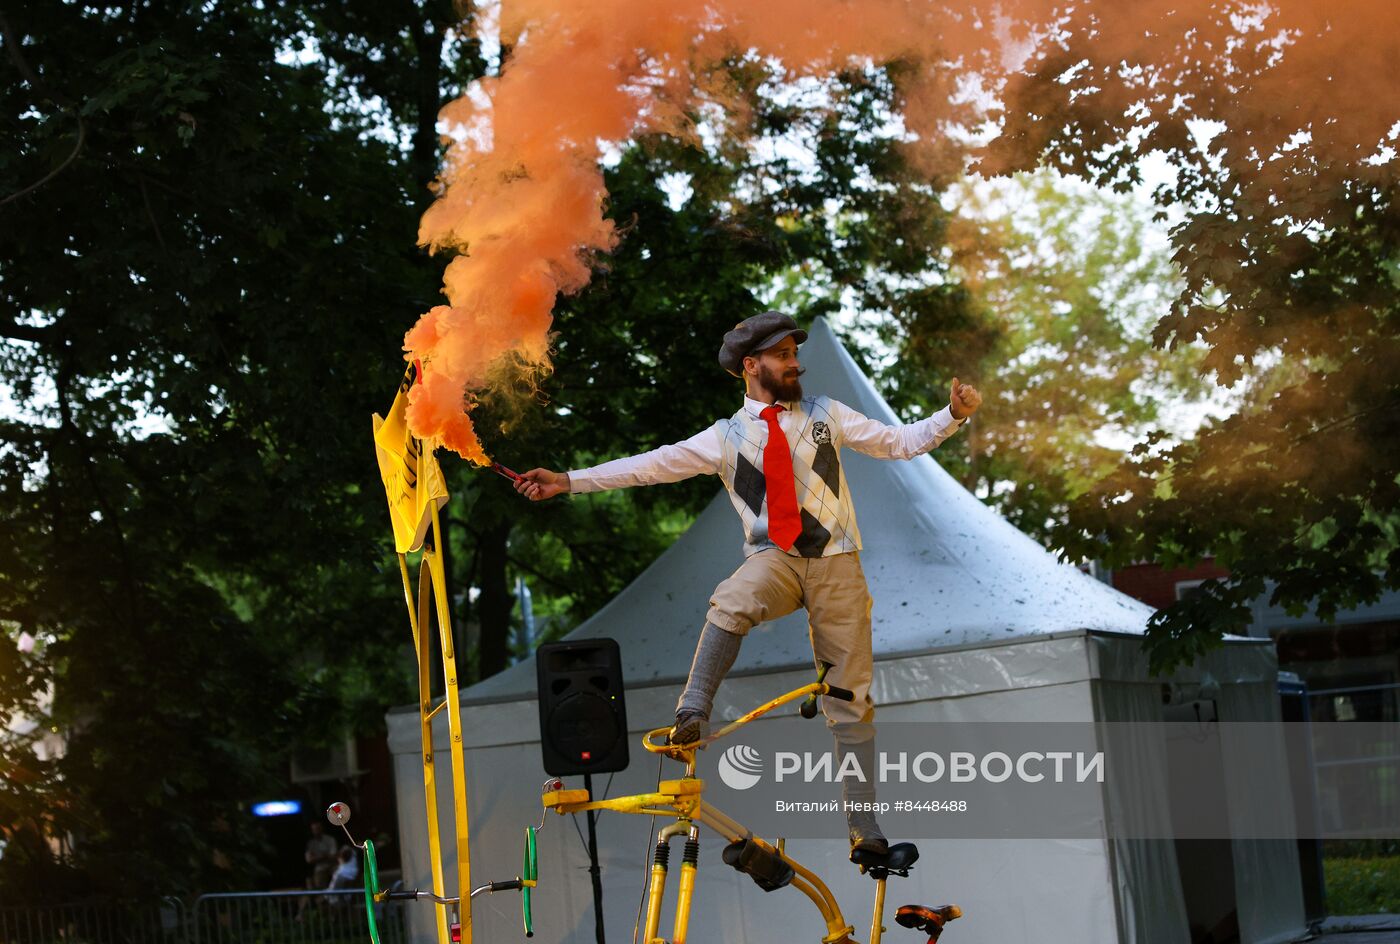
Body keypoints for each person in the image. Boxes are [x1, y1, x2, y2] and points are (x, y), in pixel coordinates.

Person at [515, 311, 982, 858]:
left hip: (836, 564)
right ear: (750, 364)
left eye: (793, 353)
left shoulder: (826, 415)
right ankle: (692, 711)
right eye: (783, 355)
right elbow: (648, 467)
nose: (795, 362)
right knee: (733, 598)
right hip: (776, 559)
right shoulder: (724, 438)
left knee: (851, 703)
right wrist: (568, 480)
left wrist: (952, 415)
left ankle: (864, 827)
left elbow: (898, 442)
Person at [304, 821, 338, 889]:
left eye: (318, 828)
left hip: (332, 865)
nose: (316, 831)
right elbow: (309, 860)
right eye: (314, 829)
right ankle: (323, 898)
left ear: (322, 828)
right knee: (319, 882)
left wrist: (317, 858)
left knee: (339, 875)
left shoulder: (330, 839)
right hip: (320, 867)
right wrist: (325, 856)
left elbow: (333, 855)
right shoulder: (310, 843)